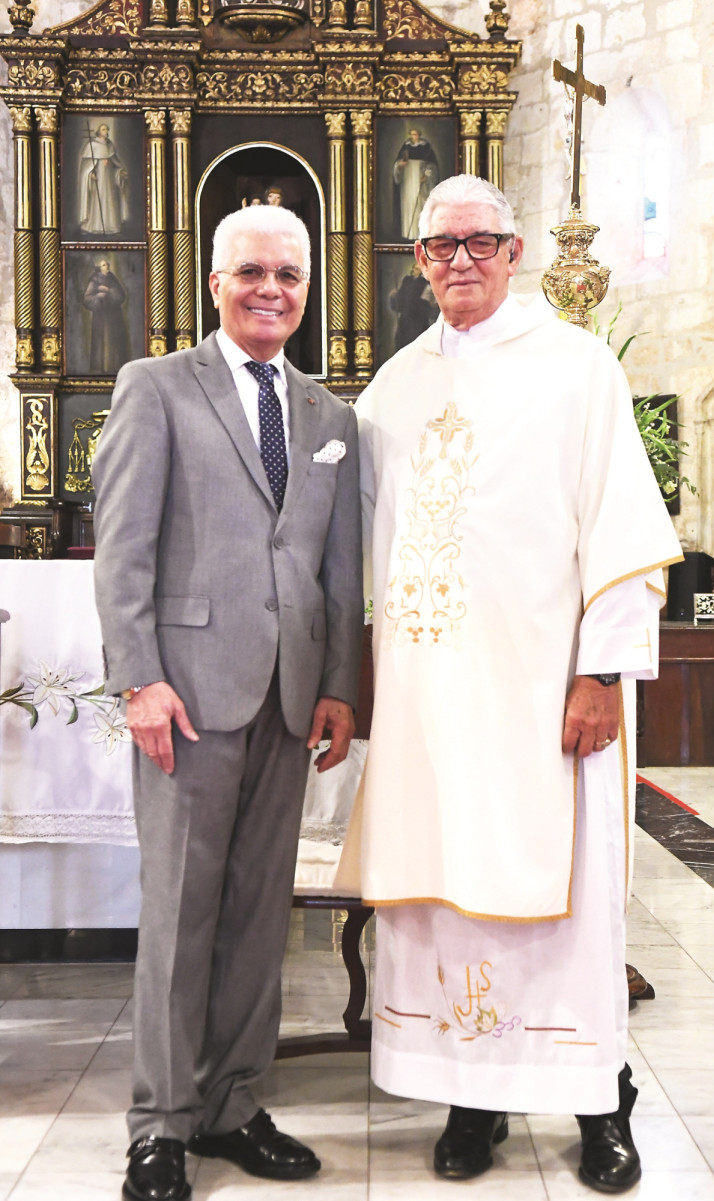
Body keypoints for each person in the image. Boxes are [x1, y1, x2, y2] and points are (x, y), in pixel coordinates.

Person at [353, 175, 682, 1193]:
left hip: (546, 698)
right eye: (439, 247)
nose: (459, 260)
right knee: (448, 893)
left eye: (479, 243)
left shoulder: (576, 370)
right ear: (418, 262)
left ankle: (598, 1104)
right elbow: (362, 551)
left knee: (567, 900)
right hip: (430, 705)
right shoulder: (389, 391)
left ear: (513, 251)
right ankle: (471, 1098)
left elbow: (621, 531)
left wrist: (599, 673)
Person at [92, 203, 363, 1201]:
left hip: (290, 700)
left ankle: (237, 1102)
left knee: (258, 914)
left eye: (287, 275)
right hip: (189, 694)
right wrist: (139, 677)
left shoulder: (333, 419)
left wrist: (337, 684)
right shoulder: (157, 387)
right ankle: (160, 1123)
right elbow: (123, 549)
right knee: (179, 913)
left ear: (305, 288)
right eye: (250, 272)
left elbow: (339, 574)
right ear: (214, 282)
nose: (269, 290)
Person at [78, 121, 129, 236]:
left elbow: (116, 163)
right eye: (104, 129)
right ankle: (94, 226)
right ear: (99, 132)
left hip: (108, 180)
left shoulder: (110, 145)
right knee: (97, 201)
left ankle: (110, 226)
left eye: (107, 129)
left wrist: (121, 171)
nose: (106, 132)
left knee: (110, 200)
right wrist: (90, 174)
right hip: (98, 180)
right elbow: (86, 166)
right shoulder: (92, 145)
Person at [82, 257, 130, 373]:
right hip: (100, 317)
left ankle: (115, 368)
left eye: (107, 264)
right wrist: (98, 296)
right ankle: (100, 369)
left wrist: (109, 291)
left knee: (114, 341)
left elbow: (121, 295)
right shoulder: (94, 280)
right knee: (101, 342)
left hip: (114, 316)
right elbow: (87, 299)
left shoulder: (112, 278)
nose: (107, 266)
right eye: (104, 265)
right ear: (99, 267)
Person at [392, 128, 438, 241]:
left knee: (419, 203)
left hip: (419, 176)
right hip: (407, 178)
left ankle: (420, 234)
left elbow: (431, 165)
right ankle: (409, 233)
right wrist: (400, 165)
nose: (413, 137)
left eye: (415, 134)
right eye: (412, 135)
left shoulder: (425, 146)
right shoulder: (406, 145)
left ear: (419, 135)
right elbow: (397, 163)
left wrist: (426, 176)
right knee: (408, 203)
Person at [388, 262, 438, 353]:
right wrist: (394, 297)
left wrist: (432, 304)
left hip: (419, 322)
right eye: (413, 268)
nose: (413, 270)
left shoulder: (427, 284)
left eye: (416, 269)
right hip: (405, 321)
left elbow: (431, 311)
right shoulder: (407, 281)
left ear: (422, 271)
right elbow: (399, 305)